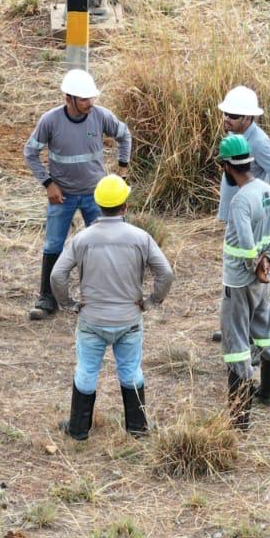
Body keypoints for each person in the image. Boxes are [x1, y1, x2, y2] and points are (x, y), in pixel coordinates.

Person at [50, 174, 174, 441]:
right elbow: (166, 273)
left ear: (97, 204)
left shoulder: (82, 239)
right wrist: (151, 301)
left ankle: (79, 428)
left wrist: (68, 304)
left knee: (86, 370)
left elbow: (57, 275)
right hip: (129, 319)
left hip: (91, 319)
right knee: (130, 371)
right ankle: (138, 427)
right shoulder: (141, 237)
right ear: (125, 206)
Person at [23, 69, 132, 321]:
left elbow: (124, 136)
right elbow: (30, 153)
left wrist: (122, 170)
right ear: (68, 98)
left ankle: (107, 296)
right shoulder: (50, 121)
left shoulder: (101, 116)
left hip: (96, 195)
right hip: (63, 196)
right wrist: (48, 183)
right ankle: (47, 298)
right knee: (53, 245)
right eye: (84, 99)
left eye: (91, 98)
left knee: (109, 242)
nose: (90, 103)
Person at [213, 86, 270, 343]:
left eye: (235, 116)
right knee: (240, 278)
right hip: (240, 218)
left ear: (249, 118)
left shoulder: (257, 141)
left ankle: (248, 334)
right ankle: (238, 328)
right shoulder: (240, 136)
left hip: (249, 221)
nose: (228, 119)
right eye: (226, 113)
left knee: (248, 276)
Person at [218, 134, 270, 430]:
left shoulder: (238, 201)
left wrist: (256, 265)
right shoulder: (264, 190)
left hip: (239, 282)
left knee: (236, 344)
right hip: (262, 281)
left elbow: (247, 246)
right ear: (249, 160)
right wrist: (269, 261)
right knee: (265, 332)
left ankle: (239, 417)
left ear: (226, 166)